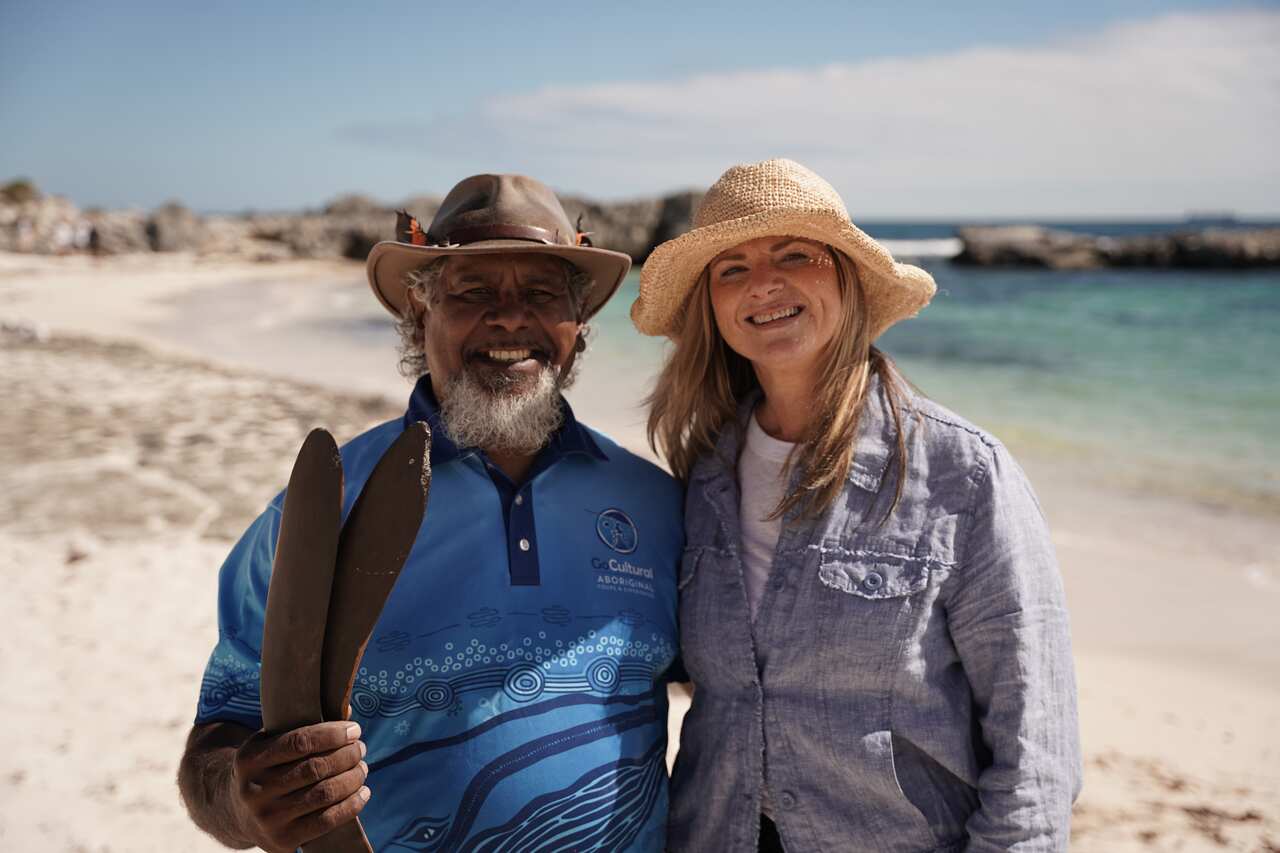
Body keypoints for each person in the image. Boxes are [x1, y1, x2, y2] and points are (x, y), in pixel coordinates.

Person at [178, 174, 683, 852]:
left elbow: (738, 694)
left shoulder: (656, 506)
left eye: (541, 294)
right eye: (473, 291)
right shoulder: (329, 507)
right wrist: (248, 798)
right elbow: (216, 745)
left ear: (580, 323)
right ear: (421, 316)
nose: (510, 318)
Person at [633, 159, 1082, 852]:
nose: (763, 283)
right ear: (711, 306)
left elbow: (1035, 755)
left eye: (794, 255)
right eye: (732, 269)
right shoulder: (702, 477)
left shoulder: (964, 475)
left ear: (846, 277)